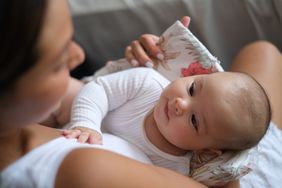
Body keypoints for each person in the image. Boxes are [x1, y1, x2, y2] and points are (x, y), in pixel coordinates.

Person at [0, 0, 281, 187]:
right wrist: (230, 171)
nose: (79, 56)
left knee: (262, 50)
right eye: (58, 61)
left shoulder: (185, 163)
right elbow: (96, 90)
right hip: (258, 172)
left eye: (195, 120)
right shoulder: (84, 168)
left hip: (236, 142)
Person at [63, 66, 270, 176]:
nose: (181, 104)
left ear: (207, 150)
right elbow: (99, 89)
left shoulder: (173, 171)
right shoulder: (147, 83)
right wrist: (86, 123)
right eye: (192, 89)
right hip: (72, 125)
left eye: (194, 120)